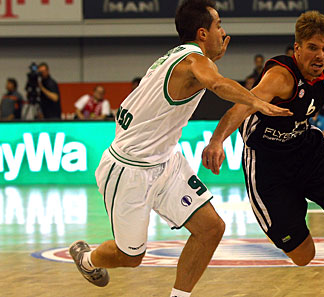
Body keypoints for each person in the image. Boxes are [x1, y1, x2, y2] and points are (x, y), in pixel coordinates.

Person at [68, 1, 291, 297]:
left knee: (211, 228)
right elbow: (218, 84)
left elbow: (207, 76)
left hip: (164, 162)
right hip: (129, 168)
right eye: (218, 25)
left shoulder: (181, 57)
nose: (223, 32)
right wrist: (256, 102)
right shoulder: (194, 62)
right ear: (202, 33)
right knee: (131, 257)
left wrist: (213, 61)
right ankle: (87, 259)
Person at [202, 11, 324, 297]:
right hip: (269, 165)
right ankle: (291, 214)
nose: (320, 56)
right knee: (304, 255)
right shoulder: (280, 77)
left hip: (307, 152)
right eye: (312, 48)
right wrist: (217, 140)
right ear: (297, 48)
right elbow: (243, 107)